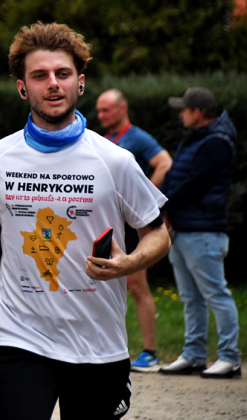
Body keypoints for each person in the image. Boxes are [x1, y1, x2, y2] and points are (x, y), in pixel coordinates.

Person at [0, 22, 170, 419]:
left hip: (98, 343)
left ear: (80, 83)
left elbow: (157, 234)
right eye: (39, 75)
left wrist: (130, 263)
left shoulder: (114, 161)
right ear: (23, 87)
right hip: (20, 338)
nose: (52, 84)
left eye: (63, 74)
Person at [159, 87, 241, 379]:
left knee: (215, 294)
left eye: (184, 109)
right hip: (184, 228)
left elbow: (196, 184)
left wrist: (164, 204)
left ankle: (229, 358)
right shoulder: (195, 138)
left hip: (204, 231)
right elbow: (175, 176)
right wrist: (162, 204)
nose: (180, 113)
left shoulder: (216, 142)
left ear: (197, 113)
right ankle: (193, 355)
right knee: (190, 297)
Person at [96, 89, 173, 372]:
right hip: (113, 226)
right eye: (99, 111)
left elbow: (165, 162)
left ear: (122, 108)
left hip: (134, 227)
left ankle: (150, 352)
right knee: (108, 284)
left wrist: (143, 203)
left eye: (106, 110)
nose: (101, 116)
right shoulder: (106, 139)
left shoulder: (137, 137)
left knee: (138, 286)